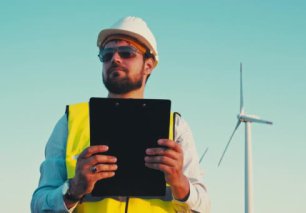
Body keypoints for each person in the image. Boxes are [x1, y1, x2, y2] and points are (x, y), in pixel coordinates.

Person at [31, 16, 210, 213]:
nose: (115, 59)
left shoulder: (175, 126)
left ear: (148, 65)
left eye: (126, 53)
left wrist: (180, 183)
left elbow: (204, 206)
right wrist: (73, 190)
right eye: (106, 55)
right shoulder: (71, 121)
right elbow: (39, 205)